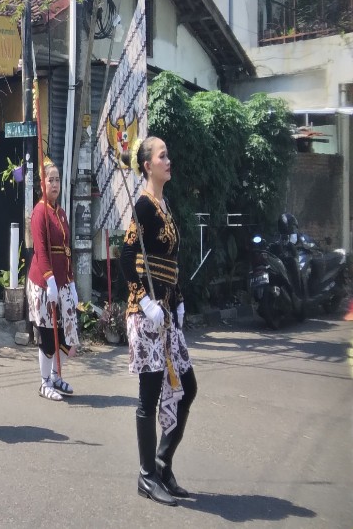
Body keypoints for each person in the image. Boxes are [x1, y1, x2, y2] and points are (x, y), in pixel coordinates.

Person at [120, 137, 197, 506]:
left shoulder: (165, 204)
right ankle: (147, 475)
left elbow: (170, 264)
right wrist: (146, 299)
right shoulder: (142, 206)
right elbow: (126, 255)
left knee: (188, 386)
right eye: (162, 155)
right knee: (149, 396)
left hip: (167, 314)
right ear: (147, 165)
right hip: (146, 313)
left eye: (168, 153)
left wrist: (177, 300)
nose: (169, 160)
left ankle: (163, 461)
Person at [27, 159, 79, 401]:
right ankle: (44, 382)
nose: (55, 183)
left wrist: (71, 280)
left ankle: (57, 375)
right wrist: (49, 281)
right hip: (44, 283)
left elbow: (67, 248)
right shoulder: (40, 213)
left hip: (63, 281)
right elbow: (41, 250)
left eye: (58, 179)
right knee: (48, 334)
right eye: (51, 179)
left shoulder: (60, 212)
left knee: (67, 331)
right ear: (42, 183)